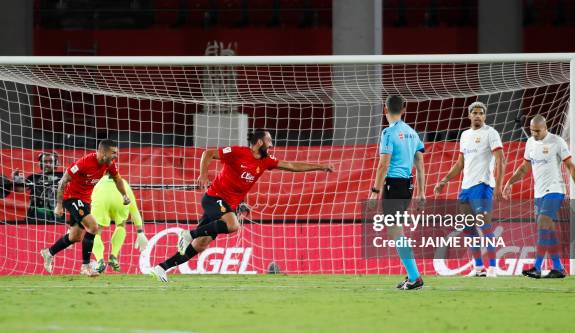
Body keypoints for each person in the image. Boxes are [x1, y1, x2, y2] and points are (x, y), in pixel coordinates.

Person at [151, 129, 334, 282]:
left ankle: (161, 267)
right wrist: (204, 175)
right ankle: (188, 233)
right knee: (233, 226)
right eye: (269, 141)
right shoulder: (238, 152)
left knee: (201, 244)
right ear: (260, 142)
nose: (271, 145)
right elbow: (208, 153)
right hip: (213, 198)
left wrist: (320, 166)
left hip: (227, 205)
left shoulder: (265, 162)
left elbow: (292, 165)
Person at [503, 115, 575, 279]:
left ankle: (537, 267)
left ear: (545, 127)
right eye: (532, 131)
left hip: (555, 189)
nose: (534, 134)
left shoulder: (557, 142)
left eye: (537, 131)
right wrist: (509, 182)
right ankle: (558, 268)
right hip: (538, 193)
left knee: (542, 223)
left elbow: (571, 166)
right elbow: (524, 168)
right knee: (549, 230)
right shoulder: (530, 143)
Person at [434, 102, 506, 277]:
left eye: (481, 113)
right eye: (475, 113)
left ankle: (493, 268)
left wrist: (499, 186)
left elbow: (501, 160)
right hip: (465, 188)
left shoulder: (491, 133)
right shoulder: (465, 135)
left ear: (485, 116)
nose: (478, 115)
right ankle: (479, 267)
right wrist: (443, 180)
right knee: (469, 229)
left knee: (485, 227)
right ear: (469, 116)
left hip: (482, 186)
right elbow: (460, 163)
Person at [39, 140, 130, 277]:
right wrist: (59, 205)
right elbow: (63, 180)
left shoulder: (109, 164)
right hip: (72, 198)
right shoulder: (84, 162)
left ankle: (49, 252)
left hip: (85, 201)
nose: (115, 156)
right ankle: (85, 266)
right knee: (93, 227)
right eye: (113, 153)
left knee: (75, 237)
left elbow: (117, 179)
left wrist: (124, 195)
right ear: (103, 152)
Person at [369, 95, 426, 290]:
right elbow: (419, 163)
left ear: (385, 110)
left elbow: (383, 164)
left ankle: (414, 277)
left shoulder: (388, 133)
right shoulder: (412, 132)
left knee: (395, 231)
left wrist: (375, 191)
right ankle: (412, 275)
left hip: (393, 185)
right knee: (397, 230)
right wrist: (422, 192)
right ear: (403, 110)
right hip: (408, 186)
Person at [91, 175, 148, 273]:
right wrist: (139, 231)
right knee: (121, 225)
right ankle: (113, 256)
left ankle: (100, 260)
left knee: (96, 231)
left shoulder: (98, 183)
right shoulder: (124, 183)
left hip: (101, 197)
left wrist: (73, 224)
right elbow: (134, 209)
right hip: (120, 199)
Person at [11, 152, 65, 224]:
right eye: (45, 161)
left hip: (57, 216)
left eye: (51, 161)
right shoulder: (34, 177)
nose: (48, 164)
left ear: (56, 163)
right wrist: (15, 179)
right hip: (36, 216)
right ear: (40, 164)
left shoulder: (64, 176)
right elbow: (20, 189)